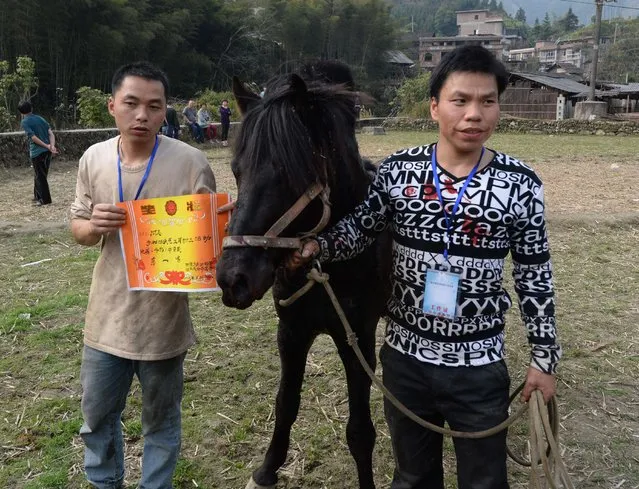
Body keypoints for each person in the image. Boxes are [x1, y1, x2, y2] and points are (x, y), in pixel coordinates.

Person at [290, 45, 561, 489]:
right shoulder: (399, 170)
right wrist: (314, 247)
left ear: (498, 108)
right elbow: (357, 231)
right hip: (405, 361)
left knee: (485, 480)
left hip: (478, 366)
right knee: (413, 478)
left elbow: (534, 275)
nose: (474, 114)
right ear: (435, 106)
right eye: (461, 100)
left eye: (487, 101)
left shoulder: (521, 184)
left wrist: (544, 360)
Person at [69, 61, 216, 489]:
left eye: (154, 106)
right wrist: (93, 225)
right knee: (96, 417)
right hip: (105, 321)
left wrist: (219, 227)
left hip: (163, 324)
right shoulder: (93, 158)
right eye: (131, 104)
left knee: (161, 421)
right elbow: (77, 227)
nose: (142, 116)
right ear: (112, 105)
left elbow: (209, 241)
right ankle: (104, 482)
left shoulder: (191, 162)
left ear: (165, 111)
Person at [18, 100, 58, 206]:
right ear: (31, 108)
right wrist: (51, 146)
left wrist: (47, 146)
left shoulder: (25, 122)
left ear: (21, 112)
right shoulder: (40, 119)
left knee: (40, 176)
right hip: (47, 152)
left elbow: (33, 137)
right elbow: (50, 133)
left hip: (37, 152)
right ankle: (37, 196)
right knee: (39, 174)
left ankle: (44, 200)